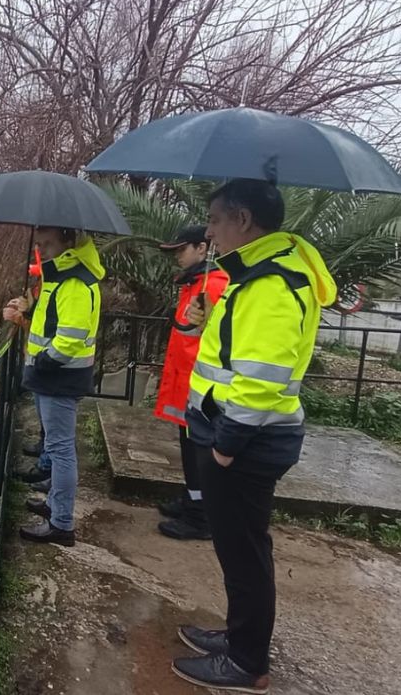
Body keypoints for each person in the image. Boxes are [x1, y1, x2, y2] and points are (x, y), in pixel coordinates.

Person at [171, 179, 336, 693]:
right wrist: (203, 323)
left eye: (215, 221)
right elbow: (234, 353)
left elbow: (259, 378)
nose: (210, 232)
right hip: (237, 438)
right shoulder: (257, 276)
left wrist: (225, 447)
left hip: (244, 444)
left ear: (243, 220)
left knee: (244, 553)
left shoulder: (271, 283)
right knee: (239, 549)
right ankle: (238, 638)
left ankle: (245, 663)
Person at [2, 227, 105, 547]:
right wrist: (28, 310)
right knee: (60, 448)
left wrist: (44, 360)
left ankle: (61, 523)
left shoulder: (73, 281)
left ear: (69, 243)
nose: (41, 250)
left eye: (47, 244)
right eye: (38, 243)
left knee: (61, 451)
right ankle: (54, 506)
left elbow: (70, 337)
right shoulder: (63, 276)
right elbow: (52, 322)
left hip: (59, 377)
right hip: (56, 376)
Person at [153, 225, 229, 541]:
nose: (176, 258)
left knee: (198, 452)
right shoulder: (194, 285)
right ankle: (192, 500)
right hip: (186, 383)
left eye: (180, 251)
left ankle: (201, 517)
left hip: (199, 387)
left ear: (202, 249)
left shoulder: (214, 285)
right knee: (188, 449)